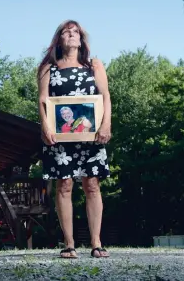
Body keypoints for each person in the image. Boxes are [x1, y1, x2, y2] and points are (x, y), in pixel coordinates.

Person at [37, 20, 112, 258]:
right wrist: (45, 127)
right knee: (65, 185)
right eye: (66, 32)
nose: (71, 34)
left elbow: (105, 96)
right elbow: (42, 100)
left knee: (92, 185)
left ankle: (96, 243)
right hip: (59, 137)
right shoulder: (48, 67)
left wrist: (106, 124)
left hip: (91, 135)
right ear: (59, 39)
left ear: (82, 39)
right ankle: (69, 244)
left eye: (75, 31)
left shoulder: (94, 65)